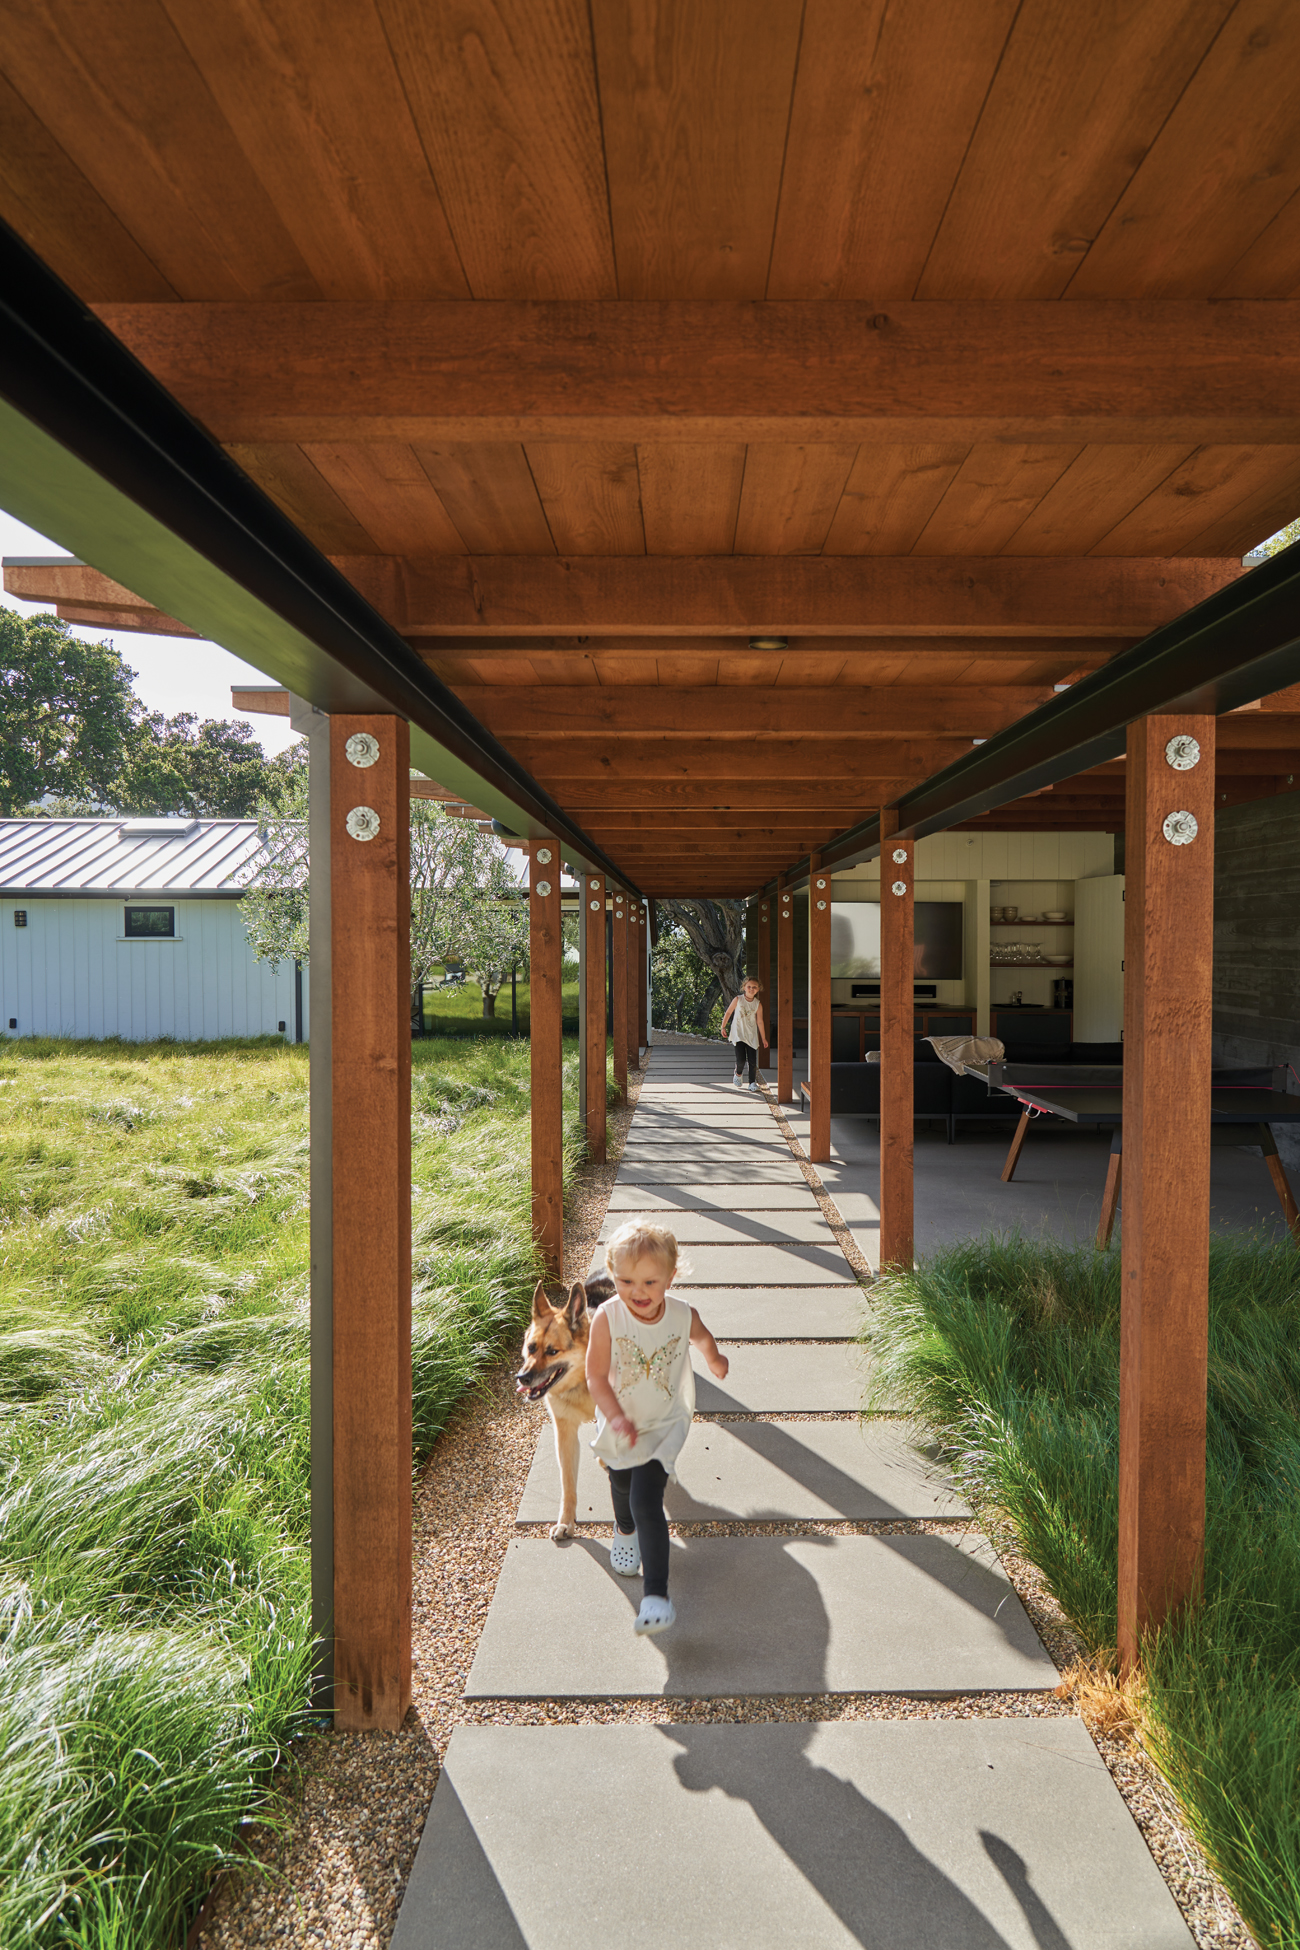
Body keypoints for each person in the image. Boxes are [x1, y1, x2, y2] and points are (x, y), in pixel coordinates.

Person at [587, 1221, 729, 1635]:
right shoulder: (608, 1319)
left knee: (647, 1498)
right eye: (626, 1280)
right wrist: (614, 1415)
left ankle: (656, 1597)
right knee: (621, 1483)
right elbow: (595, 1377)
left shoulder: (683, 1313)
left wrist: (714, 1359)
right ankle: (624, 1529)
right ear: (613, 1277)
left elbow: (701, 1336)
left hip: (663, 1422)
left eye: (650, 1281)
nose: (638, 1291)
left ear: (671, 1276)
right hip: (620, 1418)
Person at [719, 976, 767, 1091]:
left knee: (752, 1061)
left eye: (754, 987)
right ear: (744, 987)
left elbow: (760, 1021)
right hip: (738, 1033)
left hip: (751, 1035)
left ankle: (752, 1083)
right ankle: (738, 1073)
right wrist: (723, 1027)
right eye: (749, 986)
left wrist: (764, 1038)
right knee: (741, 1059)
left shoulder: (758, 1004)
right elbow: (729, 1012)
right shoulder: (738, 999)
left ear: (758, 989)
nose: (751, 989)